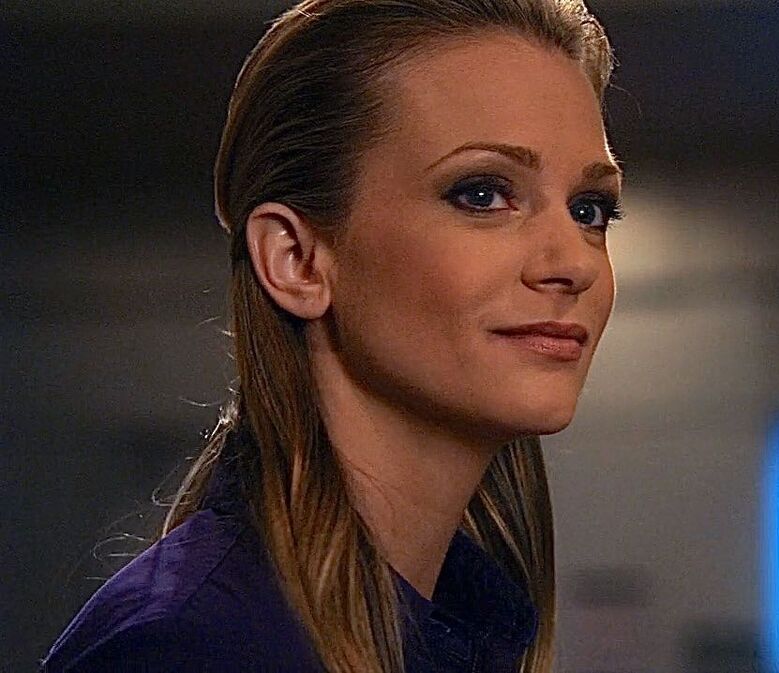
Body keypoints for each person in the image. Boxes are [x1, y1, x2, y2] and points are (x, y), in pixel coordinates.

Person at [40, 0, 621, 671]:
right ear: (297, 260)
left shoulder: (459, 628)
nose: (574, 263)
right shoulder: (186, 647)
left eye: (590, 209)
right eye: (482, 194)